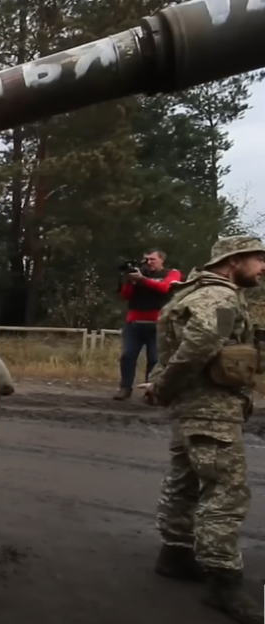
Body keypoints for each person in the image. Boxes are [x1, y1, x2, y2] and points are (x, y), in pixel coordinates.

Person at [146, 235, 265, 623]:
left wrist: (167, 388)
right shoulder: (219, 298)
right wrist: (164, 387)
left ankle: (176, 554)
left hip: (192, 408)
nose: (263, 267)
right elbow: (200, 345)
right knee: (226, 492)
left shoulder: (191, 294)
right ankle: (224, 583)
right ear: (234, 260)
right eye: (258, 259)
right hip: (211, 410)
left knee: (185, 480)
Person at [114, 249, 182, 400]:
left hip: (158, 323)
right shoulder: (138, 275)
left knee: (154, 359)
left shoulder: (171, 273)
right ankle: (125, 387)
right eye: (146, 259)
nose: (148, 263)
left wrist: (142, 280)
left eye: (152, 259)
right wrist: (129, 281)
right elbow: (125, 296)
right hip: (134, 322)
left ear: (161, 260)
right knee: (127, 356)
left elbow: (165, 288)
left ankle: (151, 391)